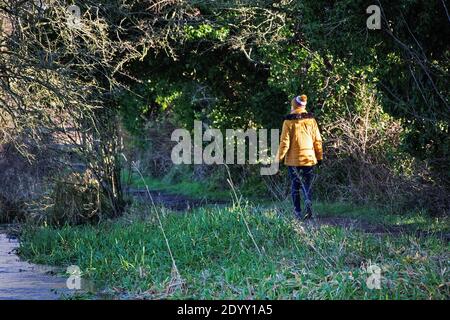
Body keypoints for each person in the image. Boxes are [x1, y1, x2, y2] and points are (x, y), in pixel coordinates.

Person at [276, 94, 323, 220]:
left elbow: (284, 143)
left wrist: (278, 158)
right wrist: (319, 157)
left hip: (293, 161)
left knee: (295, 185)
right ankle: (309, 212)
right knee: (307, 185)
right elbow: (317, 140)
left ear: (294, 106)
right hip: (309, 159)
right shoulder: (311, 120)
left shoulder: (288, 122)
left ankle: (297, 212)